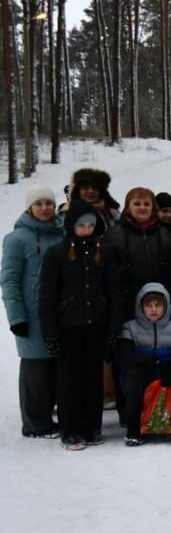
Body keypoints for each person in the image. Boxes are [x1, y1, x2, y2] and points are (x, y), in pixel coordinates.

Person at [39, 199, 122, 450]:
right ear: (71, 226)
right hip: (68, 328)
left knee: (92, 379)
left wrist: (113, 329)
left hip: (96, 326)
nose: (86, 229)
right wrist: (50, 332)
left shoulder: (105, 253)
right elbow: (46, 297)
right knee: (69, 380)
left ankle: (91, 428)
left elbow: (114, 293)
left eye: (90, 225)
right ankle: (71, 430)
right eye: (81, 225)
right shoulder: (56, 253)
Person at [3, 184, 65, 439]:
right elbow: (9, 280)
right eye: (38, 204)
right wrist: (16, 317)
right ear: (30, 207)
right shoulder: (16, 239)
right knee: (36, 372)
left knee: (57, 368)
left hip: (60, 313)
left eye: (48, 203)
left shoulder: (62, 234)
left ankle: (54, 415)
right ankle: (35, 423)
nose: (44, 208)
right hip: (31, 314)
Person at [114, 283, 171, 446]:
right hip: (140, 374)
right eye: (148, 305)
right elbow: (123, 357)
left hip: (165, 375)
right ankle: (133, 427)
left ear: (166, 306)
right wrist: (154, 362)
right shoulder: (129, 327)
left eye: (158, 305)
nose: (153, 309)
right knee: (135, 375)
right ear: (140, 306)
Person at [104, 187, 171, 323]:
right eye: (137, 203)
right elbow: (107, 276)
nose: (142, 207)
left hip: (160, 304)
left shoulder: (165, 235)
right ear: (127, 207)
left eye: (147, 204)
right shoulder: (113, 236)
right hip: (126, 306)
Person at [61, 168, 122, 232]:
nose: (90, 191)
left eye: (95, 188)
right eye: (85, 188)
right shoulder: (67, 214)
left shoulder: (112, 213)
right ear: (78, 191)